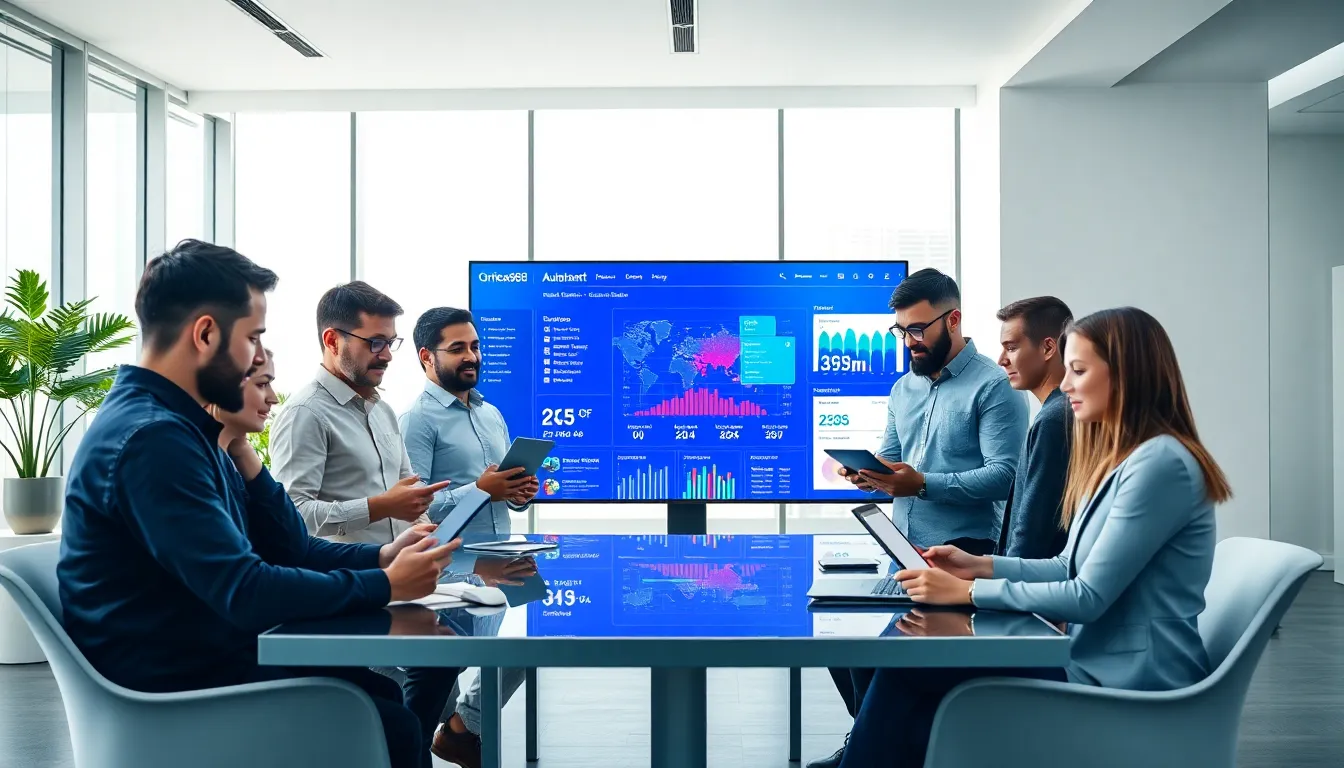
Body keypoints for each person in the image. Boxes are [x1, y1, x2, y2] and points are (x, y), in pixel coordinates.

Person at [57, 240, 456, 768]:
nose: (258, 360)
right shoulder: (155, 440)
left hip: (200, 662)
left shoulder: (185, 432)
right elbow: (245, 589)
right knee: (391, 722)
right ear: (205, 334)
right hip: (177, 693)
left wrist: (379, 560)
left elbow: (284, 548)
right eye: (252, 339)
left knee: (378, 699)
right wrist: (384, 584)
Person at [837, 306, 1231, 768]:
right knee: (907, 676)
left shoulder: (1160, 465)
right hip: (1092, 659)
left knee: (907, 673)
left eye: (1078, 371)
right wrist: (977, 564)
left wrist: (967, 591)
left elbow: (1087, 596)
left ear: (1127, 376)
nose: (1064, 385)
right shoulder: (1128, 460)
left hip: (1125, 681)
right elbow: (1068, 566)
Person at [814, 269, 1028, 768]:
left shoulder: (994, 387)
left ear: (952, 320)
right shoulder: (903, 388)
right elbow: (892, 459)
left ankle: (878, 750)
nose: (907, 340)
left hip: (967, 553)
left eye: (917, 329)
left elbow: (1007, 476)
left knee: (891, 661)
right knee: (837, 638)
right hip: (903, 550)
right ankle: (873, 741)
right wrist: (870, 474)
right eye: (900, 330)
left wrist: (924, 483)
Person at [269, 281, 461, 754]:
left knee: (444, 656)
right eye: (374, 342)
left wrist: (420, 521)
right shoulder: (304, 414)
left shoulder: (381, 409)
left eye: (390, 342)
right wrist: (381, 507)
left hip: (394, 573)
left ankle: (401, 753)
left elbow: (405, 490)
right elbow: (292, 517)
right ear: (332, 341)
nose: (388, 354)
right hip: (342, 582)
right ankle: (399, 752)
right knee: (415, 685)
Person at [399, 307, 536, 767]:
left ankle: (462, 729)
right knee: (436, 677)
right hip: (453, 566)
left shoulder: (491, 413)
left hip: (505, 557)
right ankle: (434, 739)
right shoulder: (418, 420)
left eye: (474, 346)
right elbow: (415, 505)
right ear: (426, 357)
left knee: (532, 641)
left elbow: (504, 493)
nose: (471, 356)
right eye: (457, 348)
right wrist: (480, 490)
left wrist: (518, 493)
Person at [995, 296, 1074, 559]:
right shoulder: (1058, 412)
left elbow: (1032, 533)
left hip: (1030, 588)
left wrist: (996, 590)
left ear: (1048, 348)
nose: (1001, 360)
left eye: (1012, 347)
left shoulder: (1054, 419)